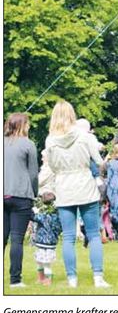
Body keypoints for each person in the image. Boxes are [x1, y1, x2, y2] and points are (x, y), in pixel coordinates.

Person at [38, 101, 109, 289]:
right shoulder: (84, 136)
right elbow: (98, 160)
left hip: (64, 188)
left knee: (68, 237)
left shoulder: (50, 140)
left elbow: (52, 167)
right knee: (93, 235)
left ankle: (72, 279)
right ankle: (98, 278)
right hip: (85, 186)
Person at [4, 111, 37, 289]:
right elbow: (33, 175)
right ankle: (15, 280)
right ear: (22, 125)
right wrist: (35, 194)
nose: (29, 126)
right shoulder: (28, 144)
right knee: (16, 239)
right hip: (21, 196)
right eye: (28, 123)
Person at [30, 195, 61, 286]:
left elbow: (33, 217)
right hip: (51, 242)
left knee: (43, 263)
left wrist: (34, 209)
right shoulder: (57, 216)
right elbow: (59, 228)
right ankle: (42, 279)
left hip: (41, 242)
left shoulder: (43, 216)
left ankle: (46, 280)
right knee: (44, 262)